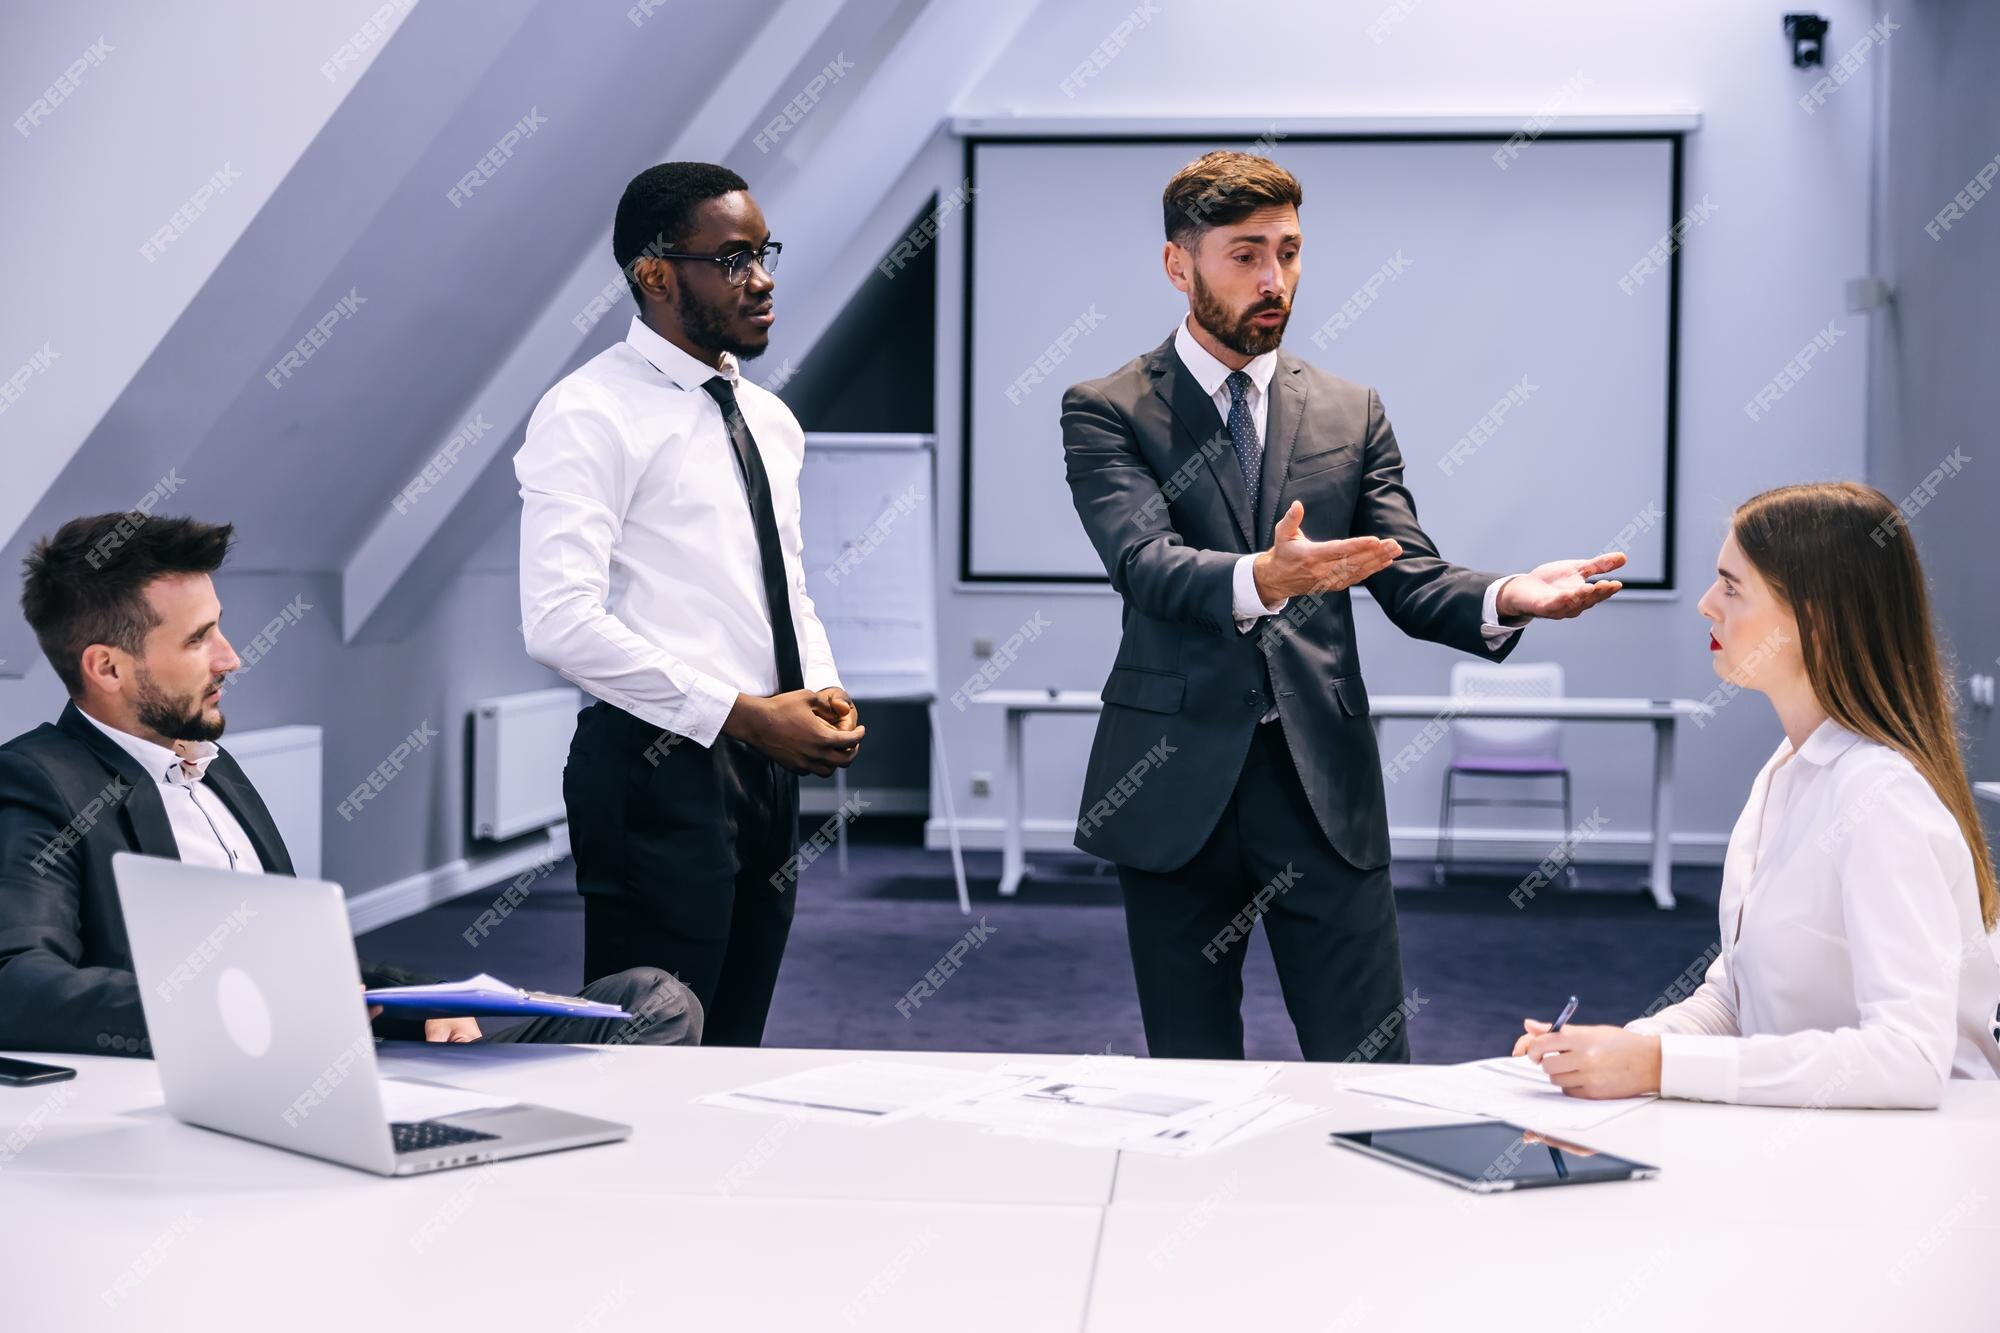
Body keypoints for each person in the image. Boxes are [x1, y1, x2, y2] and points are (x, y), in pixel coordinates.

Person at [1061, 150, 1624, 1063]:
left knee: (1367, 1066)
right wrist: (1264, 579)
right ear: (1180, 264)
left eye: (1288, 251)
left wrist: (1510, 594)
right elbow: (1145, 564)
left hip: (1323, 788)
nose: (1273, 279)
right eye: (1245, 254)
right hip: (1171, 787)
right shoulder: (1109, 408)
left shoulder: (1349, 410)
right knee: (1191, 1073)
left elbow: (1404, 570)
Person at [0, 513, 700, 1056]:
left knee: (652, 1001)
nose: (232, 656)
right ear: (108, 667)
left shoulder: (215, 769)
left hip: (352, 1050)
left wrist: (407, 996)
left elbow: (301, 961)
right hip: (242, 1080)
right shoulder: (42, 782)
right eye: (198, 639)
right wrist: (248, 1006)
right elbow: (17, 985)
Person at [1514, 482, 2000, 1107]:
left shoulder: (1879, 797)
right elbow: (1736, 998)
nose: (1707, 606)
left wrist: (1659, 1066)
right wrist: (1619, 1050)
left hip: (1913, 1166)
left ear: (1815, 616)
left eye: (1732, 586)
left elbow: (1908, 1060)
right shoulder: (1786, 770)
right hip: (1817, 1142)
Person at [516, 162, 859, 1048]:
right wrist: (743, 715)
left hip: (766, 767)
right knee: (651, 1043)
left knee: (733, 1038)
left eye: (765, 252)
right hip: (653, 768)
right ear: (656, 273)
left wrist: (818, 687)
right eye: (735, 258)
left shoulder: (770, 419)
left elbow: (781, 582)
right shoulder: (588, 412)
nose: (764, 278)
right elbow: (558, 622)